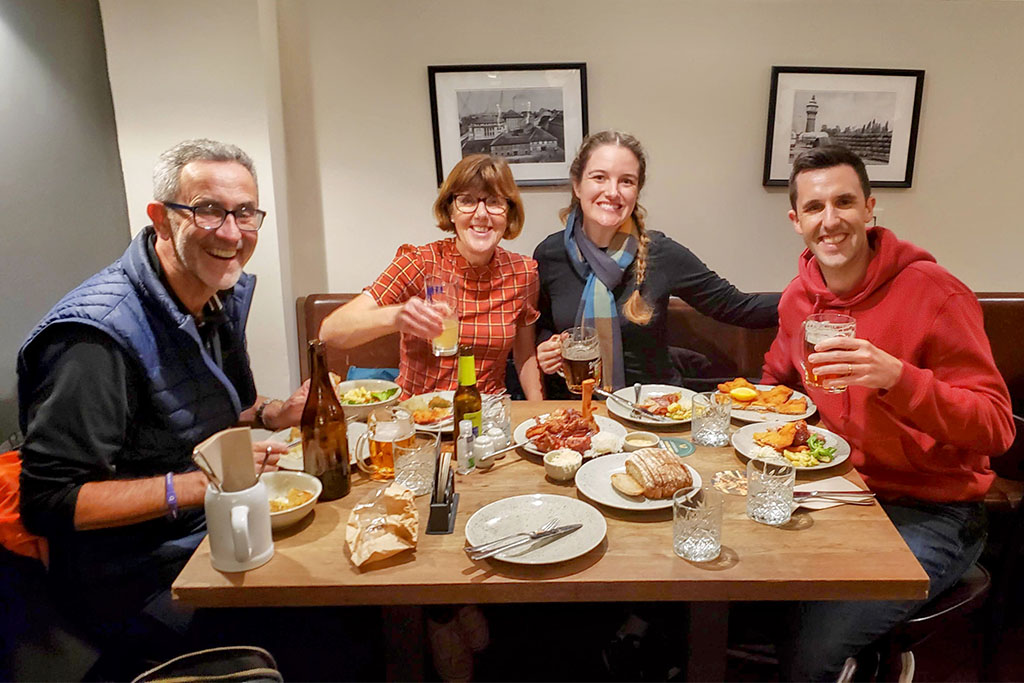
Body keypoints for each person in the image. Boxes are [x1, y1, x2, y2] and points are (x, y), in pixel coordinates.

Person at [17, 139, 307, 662]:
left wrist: (271, 413)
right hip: (133, 580)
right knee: (319, 628)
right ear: (161, 219)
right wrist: (196, 486)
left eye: (245, 212)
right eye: (208, 210)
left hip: (204, 535)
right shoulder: (94, 339)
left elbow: (189, 402)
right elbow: (50, 502)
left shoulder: (211, 297)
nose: (232, 233)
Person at [762, 144, 1015, 681]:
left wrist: (899, 378)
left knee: (812, 654)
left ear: (870, 208)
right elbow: (775, 382)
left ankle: (876, 661)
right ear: (796, 221)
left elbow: (996, 428)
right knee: (747, 593)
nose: (830, 220)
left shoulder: (937, 294)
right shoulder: (797, 300)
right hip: (842, 494)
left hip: (935, 510)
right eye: (814, 207)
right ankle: (873, 657)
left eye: (844, 202)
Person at [533, 130, 779, 397]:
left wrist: (810, 293)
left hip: (653, 407)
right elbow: (542, 323)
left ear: (637, 191)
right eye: (599, 177)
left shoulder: (661, 253)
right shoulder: (549, 254)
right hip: (577, 408)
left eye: (626, 181)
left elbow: (737, 307)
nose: (612, 192)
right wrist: (546, 346)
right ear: (577, 185)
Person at [320, 154, 543, 400]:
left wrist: (539, 411)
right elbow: (330, 332)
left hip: (487, 411)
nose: (481, 214)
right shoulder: (420, 262)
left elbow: (525, 355)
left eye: (494, 202)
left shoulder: (522, 272)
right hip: (419, 410)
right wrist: (395, 317)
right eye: (467, 201)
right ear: (450, 212)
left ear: (509, 213)